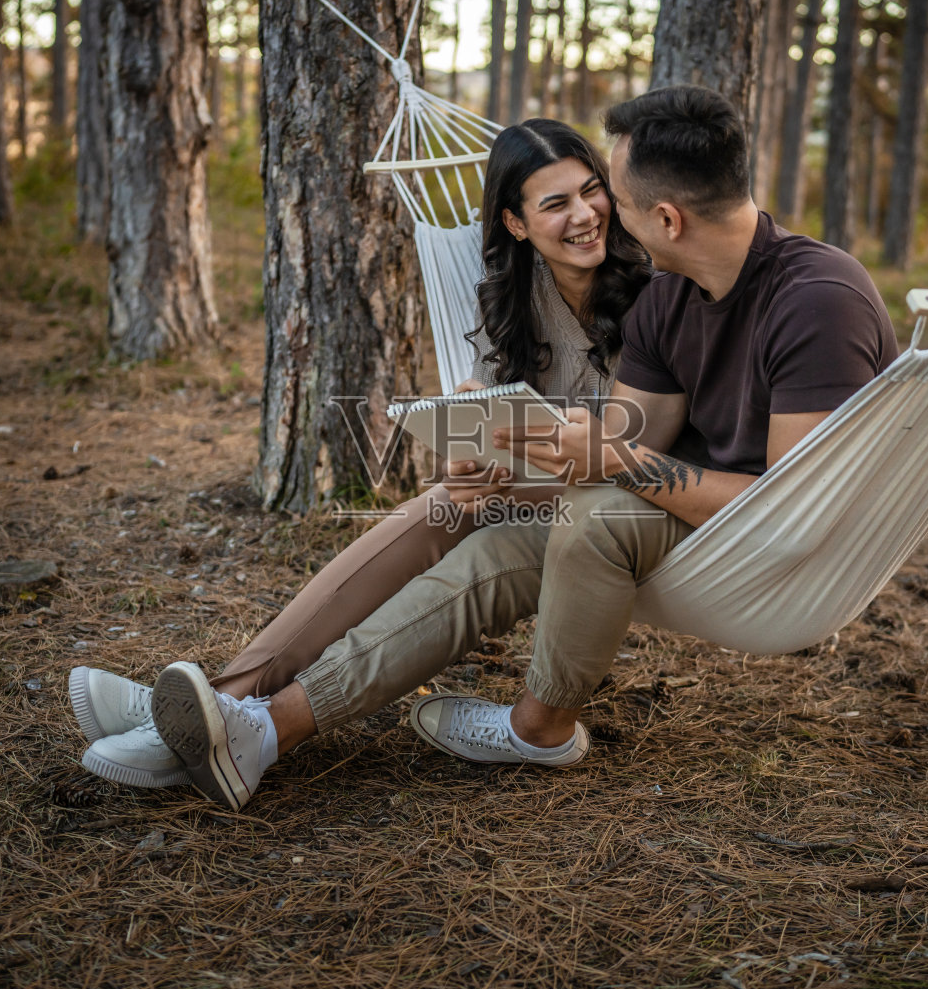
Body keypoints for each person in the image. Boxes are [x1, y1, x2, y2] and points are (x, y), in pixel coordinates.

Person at [69, 118, 650, 790]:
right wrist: (465, 458)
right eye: (556, 204)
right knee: (441, 504)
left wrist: (519, 475)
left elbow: (637, 457)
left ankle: (225, 716)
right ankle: (230, 696)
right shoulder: (516, 296)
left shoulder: (651, 295)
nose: (585, 215)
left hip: (618, 508)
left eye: (591, 191)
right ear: (516, 225)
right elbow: (488, 411)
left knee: (486, 527)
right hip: (542, 492)